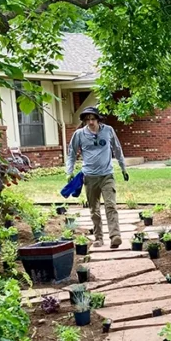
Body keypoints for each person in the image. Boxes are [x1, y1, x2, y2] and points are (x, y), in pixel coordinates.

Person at [66, 106, 129, 248]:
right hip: (89, 177)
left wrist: (123, 168)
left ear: (98, 119)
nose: (90, 122)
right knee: (94, 210)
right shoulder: (79, 134)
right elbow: (71, 154)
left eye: (93, 119)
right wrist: (69, 172)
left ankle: (115, 236)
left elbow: (117, 149)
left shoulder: (108, 131)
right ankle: (98, 238)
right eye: (87, 119)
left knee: (111, 205)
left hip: (107, 175)